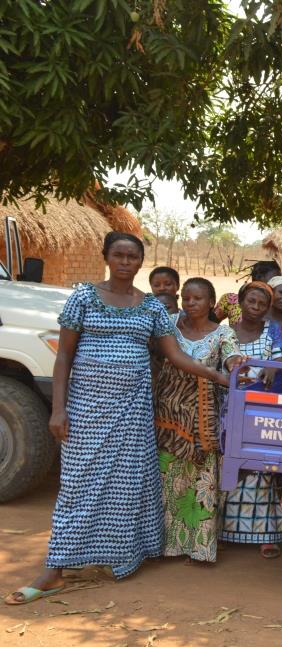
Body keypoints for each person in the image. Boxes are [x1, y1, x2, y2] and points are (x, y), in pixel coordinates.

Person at [5, 232, 229, 605]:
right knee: (77, 486)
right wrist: (58, 408)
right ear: (106, 257)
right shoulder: (83, 297)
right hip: (86, 408)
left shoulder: (152, 308)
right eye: (119, 255)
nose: (125, 262)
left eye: (132, 257)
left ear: (140, 262)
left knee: (126, 485)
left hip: (132, 410)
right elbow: (63, 358)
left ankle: (123, 557)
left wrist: (218, 376)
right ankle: (53, 570)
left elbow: (175, 356)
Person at [155, 278, 242, 564]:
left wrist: (234, 365)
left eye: (198, 299)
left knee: (200, 482)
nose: (191, 304)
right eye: (187, 299)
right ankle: (166, 546)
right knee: (168, 480)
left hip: (203, 419)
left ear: (210, 302)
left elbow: (232, 358)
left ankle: (199, 548)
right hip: (168, 417)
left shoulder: (222, 334)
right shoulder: (169, 325)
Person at [221, 281, 282, 558]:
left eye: (262, 304)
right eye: (251, 301)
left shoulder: (272, 330)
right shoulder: (226, 332)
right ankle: (221, 531)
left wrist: (274, 367)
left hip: (259, 410)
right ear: (240, 302)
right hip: (226, 406)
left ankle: (265, 534)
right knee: (227, 469)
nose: (256, 307)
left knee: (259, 469)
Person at [214, 260, 281, 324]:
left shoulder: (279, 307)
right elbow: (210, 324)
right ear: (259, 278)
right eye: (275, 279)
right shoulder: (230, 300)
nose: (280, 283)